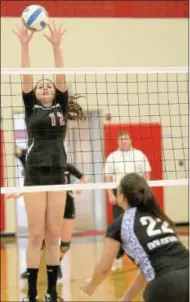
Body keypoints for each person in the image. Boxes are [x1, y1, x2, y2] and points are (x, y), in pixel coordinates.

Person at [11, 22, 85, 302]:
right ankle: (31, 294)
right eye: (39, 86)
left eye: (47, 86)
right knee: (35, 235)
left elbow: (61, 75)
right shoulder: (31, 107)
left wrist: (56, 47)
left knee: (53, 235)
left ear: (55, 93)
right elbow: (26, 76)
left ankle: (52, 292)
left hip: (57, 173)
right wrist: (25, 45)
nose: (43, 87)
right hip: (33, 174)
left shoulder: (60, 106)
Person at [81, 173, 189, 302]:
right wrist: (126, 299)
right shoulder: (157, 216)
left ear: (122, 196)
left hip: (165, 285)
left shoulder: (119, 224)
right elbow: (148, 269)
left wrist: (90, 288)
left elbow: (103, 268)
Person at [15, 146, 87, 279]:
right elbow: (19, 153)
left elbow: (83, 178)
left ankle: (56, 264)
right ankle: (31, 270)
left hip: (67, 205)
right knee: (40, 240)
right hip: (50, 206)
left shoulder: (67, 166)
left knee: (65, 245)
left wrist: (80, 187)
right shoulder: (39, 168)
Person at [104, 131, 152, 271]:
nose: (123, 141)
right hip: (120, 196)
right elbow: (107, 178)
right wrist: (110, 195)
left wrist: (146, 192)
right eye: (120, 139)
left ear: (131, 140)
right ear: (117, 141)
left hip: (137, 195)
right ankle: (117, 257)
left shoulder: (139, 154)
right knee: (121, 229)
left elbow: (147, 174)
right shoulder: (112, 157)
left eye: (126, 139)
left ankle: (143, 257)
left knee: (138, 227)